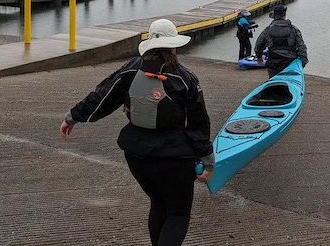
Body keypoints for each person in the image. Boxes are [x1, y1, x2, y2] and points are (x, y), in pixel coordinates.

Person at [59, 18, 214, 246]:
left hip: (137, 156)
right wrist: (208, 160)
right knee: (178, 214)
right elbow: (198, 123)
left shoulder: (131, 69)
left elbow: (103, 96)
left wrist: (73, 117)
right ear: (174, 45)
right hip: (173, 159)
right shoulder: (185, 78)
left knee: (158, 203)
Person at [254, 4, 308, 77]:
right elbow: (301, 47)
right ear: (284, 14)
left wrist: (259, 56)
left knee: (275, 84)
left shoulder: (268, 30)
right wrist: (303, 62)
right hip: (290, 63)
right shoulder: (293, 29)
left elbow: (259, 44)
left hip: (273, 63)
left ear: (274, 15)